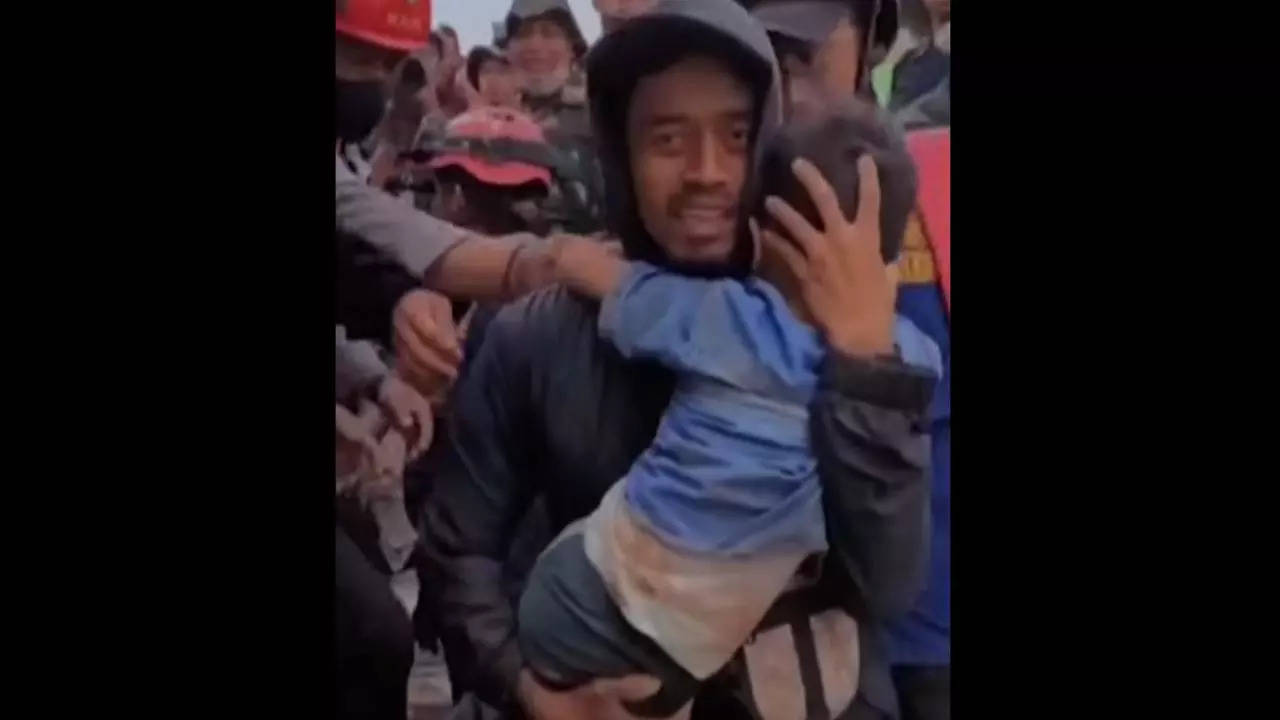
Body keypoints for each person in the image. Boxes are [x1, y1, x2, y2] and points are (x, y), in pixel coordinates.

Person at [420, 2, 933, 719]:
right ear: (619, 154)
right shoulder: (533, 332)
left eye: (736, 136)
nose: (706, 173)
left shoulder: (847, 331)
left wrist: (865, 373)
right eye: (666, 138)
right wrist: (531, 691)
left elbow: (888, 583)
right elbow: (459, 555)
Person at [500, 0, 605, 232]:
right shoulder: (487, 118)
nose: (535, 46)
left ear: (572, 48)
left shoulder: (602, 108)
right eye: (524, 34)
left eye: (549, 33)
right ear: (507, 49)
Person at [467, 46, 524, 111]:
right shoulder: (470, 119)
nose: (492, 80)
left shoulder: (530, 117)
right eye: (485, 72)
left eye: (500, 72)